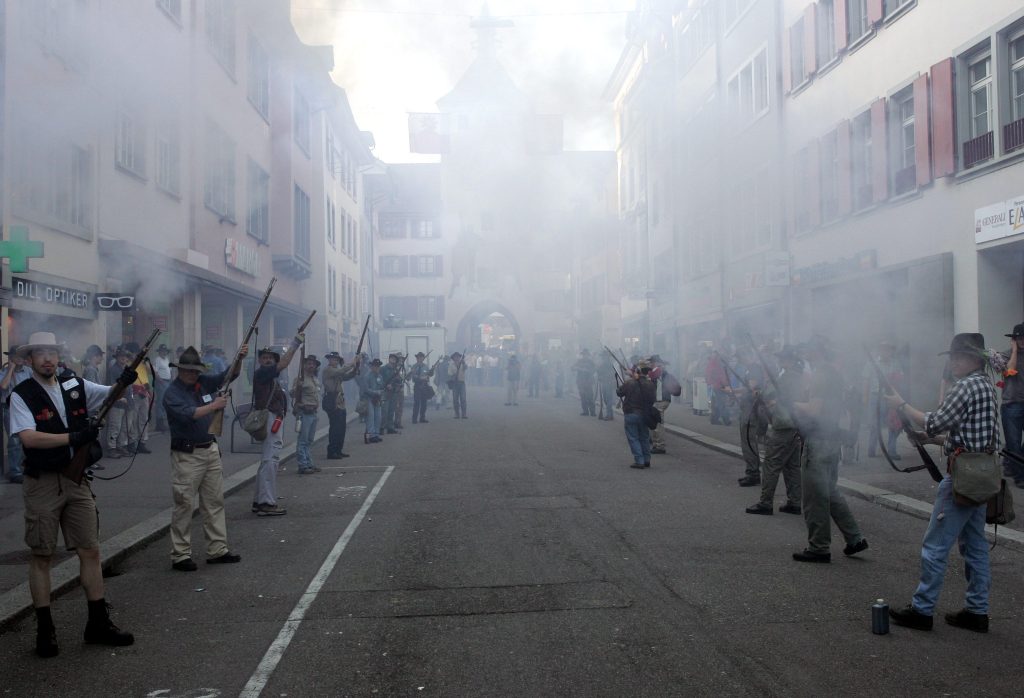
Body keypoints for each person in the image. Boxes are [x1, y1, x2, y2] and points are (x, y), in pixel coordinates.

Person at [10, 331, 135, 656]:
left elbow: (110, 394)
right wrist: (73, 437)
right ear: (30, 359)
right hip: (43, 482)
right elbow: (29, 438)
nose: (48, 358)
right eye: (41, 353)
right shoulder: (22, 394)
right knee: (42, 556)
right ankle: (45, 630)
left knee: (90, 550)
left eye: (52, 352)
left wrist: (125, 379)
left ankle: (97, 623)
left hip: (77, 479)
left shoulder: (74, 384)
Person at [884, 333, 998, 632]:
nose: (952, 362)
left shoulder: (966, 386)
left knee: (934, 545)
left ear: (973, 359)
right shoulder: (984, 384)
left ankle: (922, 610)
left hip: (963, 476)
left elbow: (934, 420)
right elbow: (967, 435)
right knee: (974, 546)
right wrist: (931, 440)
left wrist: (902, 404)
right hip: (982, 473)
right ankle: (977, 611)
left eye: (957, 357)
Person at [163, 345, 247, 572]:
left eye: (195, 370)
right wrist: (215, 405)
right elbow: (189, 414)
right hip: (187, 454)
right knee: (184, 504)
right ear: (180, 370)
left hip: (209, 448)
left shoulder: (203, 383)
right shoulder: (172, 393)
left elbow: (230, 375)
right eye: (189, 370)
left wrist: (238, 358)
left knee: (214, 502)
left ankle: (217, 549)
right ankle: (180, 554)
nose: (193, 374)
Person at [790, 337, 868, 563]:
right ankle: (855, 539)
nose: (804, 352)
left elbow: (815, 410)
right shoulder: (833, 373)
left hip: (818, 441)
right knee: (830, 493)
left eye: (807, 348)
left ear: (816, 351)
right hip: (831, 440)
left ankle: (819, 547)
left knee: (815, 497)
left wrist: (791, 403)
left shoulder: (821, 375)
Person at [746, 345, 805, 516]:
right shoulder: (798, 377)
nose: (780, 361)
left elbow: (768, 394)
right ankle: (794, 502)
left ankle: (765, 503)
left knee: (771, 465)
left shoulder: (786, 378)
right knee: (792, 467)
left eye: (783, 358)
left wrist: (762, 392)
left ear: (789, 360)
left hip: (783, 425)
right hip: (794, 425)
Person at [250, 339, 302, 516]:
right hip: (270, 418)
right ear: (260, 361)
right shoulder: (263, 374)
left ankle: (259, 500)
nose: (267, 360)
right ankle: (266, 502)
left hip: (274, 418)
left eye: (270, 358)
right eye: (264, 358)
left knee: (267, 460)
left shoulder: (270, 377)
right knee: (270, 461)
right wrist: (296, 344)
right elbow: (285, 363)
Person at [863, 340, 904, 459]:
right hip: (876, 397)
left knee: (893, 424)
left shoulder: (895, 363)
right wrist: (865, 397)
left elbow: (900, 379)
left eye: (888, 349)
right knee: (875, 425)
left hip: (890, 397)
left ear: (891, 351)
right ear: (879, 350)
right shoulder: (871, 363)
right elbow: (865, 380)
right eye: (883, 348)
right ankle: (871, 450)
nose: (885, 351)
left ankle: (891, 451)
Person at [617, 359, 657, 469]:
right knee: (644, 437)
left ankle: (639, 460)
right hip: (644, 414)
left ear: (637, 371)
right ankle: (647, 460)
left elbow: (619, 392)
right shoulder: (650, 384)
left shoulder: (630, 382)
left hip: (631, 413)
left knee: (633, 438)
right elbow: (653, 399)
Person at [1, 347, 33, 483]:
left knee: (27, 438)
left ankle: (23, 466)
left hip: (26, 409)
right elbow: (3, 386)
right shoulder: (4, 372)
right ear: (11, 357)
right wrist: (10, 369)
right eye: (17, 356)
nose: (20, 358)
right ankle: (15, 472)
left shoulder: (28, 371)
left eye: (22, 355)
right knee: (14, 440)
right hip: (10, 409)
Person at [999, 323, 1024, 489]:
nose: (1022, 340)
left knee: (1014, 445)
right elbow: (1009, 371)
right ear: (1013, 339)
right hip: (1011, 405)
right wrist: (1015, 350)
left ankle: (1009, 462)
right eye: (1019, 338)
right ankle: (1020, 477)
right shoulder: (1005, 355)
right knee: (1014, 443)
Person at [322, 350, 359, 457]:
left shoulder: (336, 370)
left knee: (341, 427)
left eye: (337, 359)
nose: (335, 361)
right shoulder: (328, 370)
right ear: (329, 360)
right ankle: (332, 451)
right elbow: (341, 372)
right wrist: (352, 363)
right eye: (333, 359)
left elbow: (346, 376)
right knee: (335, 427)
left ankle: (338, 450)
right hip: (332, 399)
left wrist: (355, 369)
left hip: (339, 400)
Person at [292, 354, 322, 475]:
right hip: (304, 412)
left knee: (309, 440)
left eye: (313, 364)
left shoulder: (314, 378)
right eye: (309, 363)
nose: (311, 366)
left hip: (313, 412)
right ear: (304, 365)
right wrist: (297, 388)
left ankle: (309, 463)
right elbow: (292, 394)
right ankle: (303, 465)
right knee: (303, 440)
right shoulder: (300, 379)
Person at [105, 348, 132, 459]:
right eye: (121, 356)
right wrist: (119, 398)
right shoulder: (113, 370)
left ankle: (122, 446)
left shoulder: (126, 369)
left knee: (125, 427)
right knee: (115, 427)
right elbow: (111, 387)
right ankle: (111, 449)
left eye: (125, 356)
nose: (123, 358)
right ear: (117, 357)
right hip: (117, 402)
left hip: (128, 401)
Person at [362, 358, 385, 441]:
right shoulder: (367, 376)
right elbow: (366, 389)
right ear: (372, 366)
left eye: (378, 366)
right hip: (369, 399)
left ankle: (376, 434)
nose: (377, 368)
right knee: (370, 418)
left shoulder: (380, 376)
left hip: (377, 399)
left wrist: (381, 392)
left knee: (378, 417)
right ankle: (370, 436)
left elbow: (382, 386)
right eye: (375, 366)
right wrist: (376, 392)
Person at [407, 352, 434, 423]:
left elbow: (430, 374)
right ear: (417, 358)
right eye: (419, 357)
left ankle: (422, 418)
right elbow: (413, 377)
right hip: (417, 386)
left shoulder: (426, 366)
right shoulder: (414, 366)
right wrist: (421, 378)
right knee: (417, 403)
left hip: (425, 386)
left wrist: (432, 370)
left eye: (421, 357)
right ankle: (414, 419)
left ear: (423, 358)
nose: (420, 358)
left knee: (424, 403)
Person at [151, 344, 172, 432]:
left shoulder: (166, 359)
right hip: (161, 382)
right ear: (159, 351)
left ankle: (162, 422)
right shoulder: (157, 360)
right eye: (162, 351)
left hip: (167, 382)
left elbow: (169, 370)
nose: (164, 352)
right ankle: (159, 424)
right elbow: (154, 371)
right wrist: (160, 381)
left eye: (165, 351)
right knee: (160, 402)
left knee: (164, 402)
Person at [381, 354, 402, 434]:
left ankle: (390, 428)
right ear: (389, 359)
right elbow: (379, 379)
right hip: (385, 392)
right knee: (384, 411)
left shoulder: (396, 370)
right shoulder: (383, 369)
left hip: (393, 392)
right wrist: (385, 385)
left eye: (394, 359)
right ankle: (381, 428)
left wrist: (394, 385)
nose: (393, 360)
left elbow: (398, 381)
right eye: (392, 358)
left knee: (391, 411)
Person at [572, 349, 597, 416]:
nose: (584, 356)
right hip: (581, 382)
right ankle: (585, 411)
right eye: (583, 354)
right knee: (583, 397)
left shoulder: (591, 362)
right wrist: (579, 368)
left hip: (588, 381)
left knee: (590, 397)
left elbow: (595, 369)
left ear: (587, 355)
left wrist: (588, 371)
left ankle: (592, 412)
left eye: (586, 354)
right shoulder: (579, 361)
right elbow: (572, 367)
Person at [596, 353, 617, 421]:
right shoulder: (602, 364)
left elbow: (612, 373)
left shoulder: (609, 364)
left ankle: (609, 415)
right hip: (604, 383)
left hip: (609, 383)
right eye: (603, 357)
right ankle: (610, 414)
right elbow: (599, 371)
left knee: (608, 399)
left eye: (604, 357)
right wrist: (599, 375)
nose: (603, 358)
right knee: (606, 399)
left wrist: (603, 376)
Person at [448, 352, 468, 419]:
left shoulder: (462, 364)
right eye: (455, 357)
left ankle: (464, 414)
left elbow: (466, 368)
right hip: (454, 384)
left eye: (458, 357)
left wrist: (463, 362)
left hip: (462, 383)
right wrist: (455, 375)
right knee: (455, 399)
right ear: (453, 358)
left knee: (463, 399)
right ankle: (457, 414)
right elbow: (450, 374)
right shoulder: (451, 365)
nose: (456, 358)